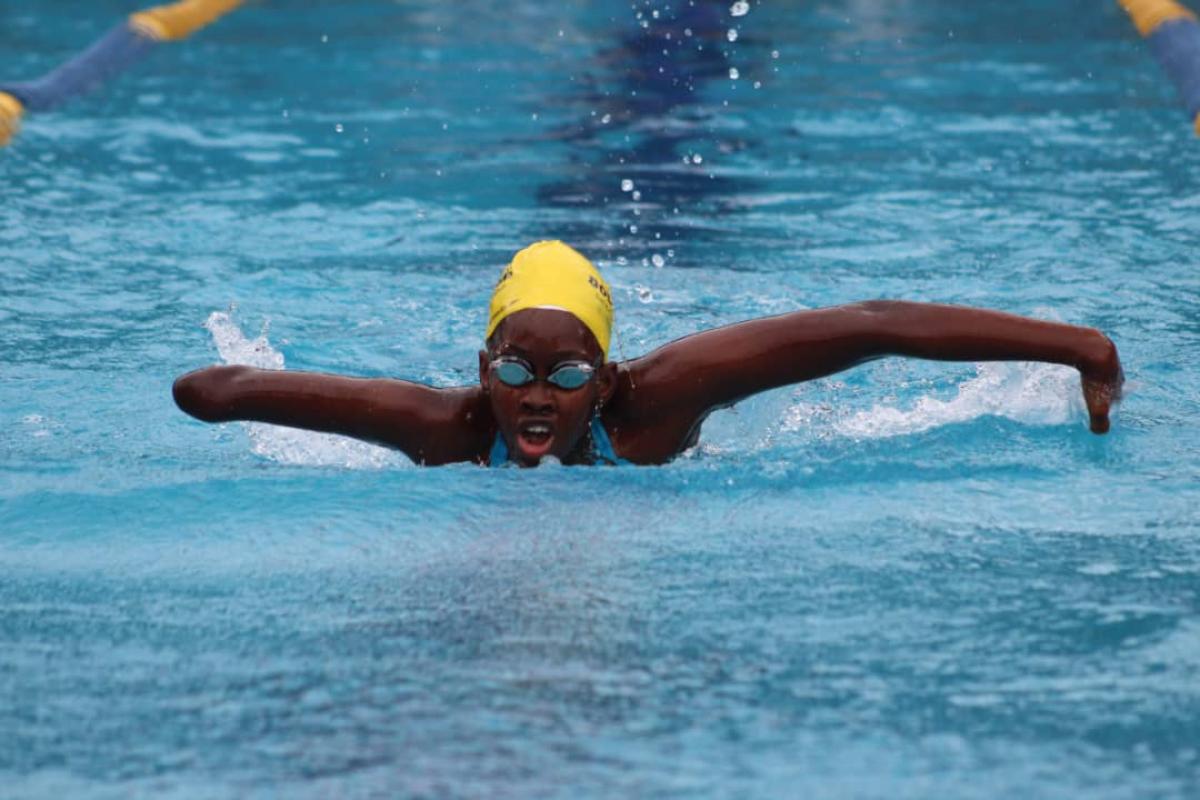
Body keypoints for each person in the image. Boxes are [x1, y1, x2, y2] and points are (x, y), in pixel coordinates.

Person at [173, 240, 1123, 467]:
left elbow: (874, 324)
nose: (537, 396)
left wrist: (1078, 346)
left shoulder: (661, 402)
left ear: (610, 375)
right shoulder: (446, 429)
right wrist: (222, 393)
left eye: (570, 374)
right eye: (513, 371)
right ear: (479, 370)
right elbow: (220, 390)